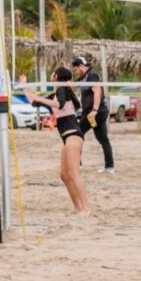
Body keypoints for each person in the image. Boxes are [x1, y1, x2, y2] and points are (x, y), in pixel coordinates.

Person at [22, 69, 91, 213]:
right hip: (66, 137)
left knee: (73, 174)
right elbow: (33, 101)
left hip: (73, 135)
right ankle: (78, 207)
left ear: (58, 77)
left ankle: (86, 209)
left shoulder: (62, 89)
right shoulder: (56, 94)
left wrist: (40, 98)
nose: (51, 76)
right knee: (64, 176)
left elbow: (59, 105)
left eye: (53, 74)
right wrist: (24, 87)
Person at [72, 56, 114, 174]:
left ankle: (76, 164)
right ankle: (109, 167)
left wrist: (94, 110)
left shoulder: (92, 75)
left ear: (81, 66)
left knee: (77, 134)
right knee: (103, 139)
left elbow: (97, 91)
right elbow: (72, 86)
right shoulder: (83, 78)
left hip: (95, 112)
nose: (75, 72)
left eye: (76, 69)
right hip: (95, 112)